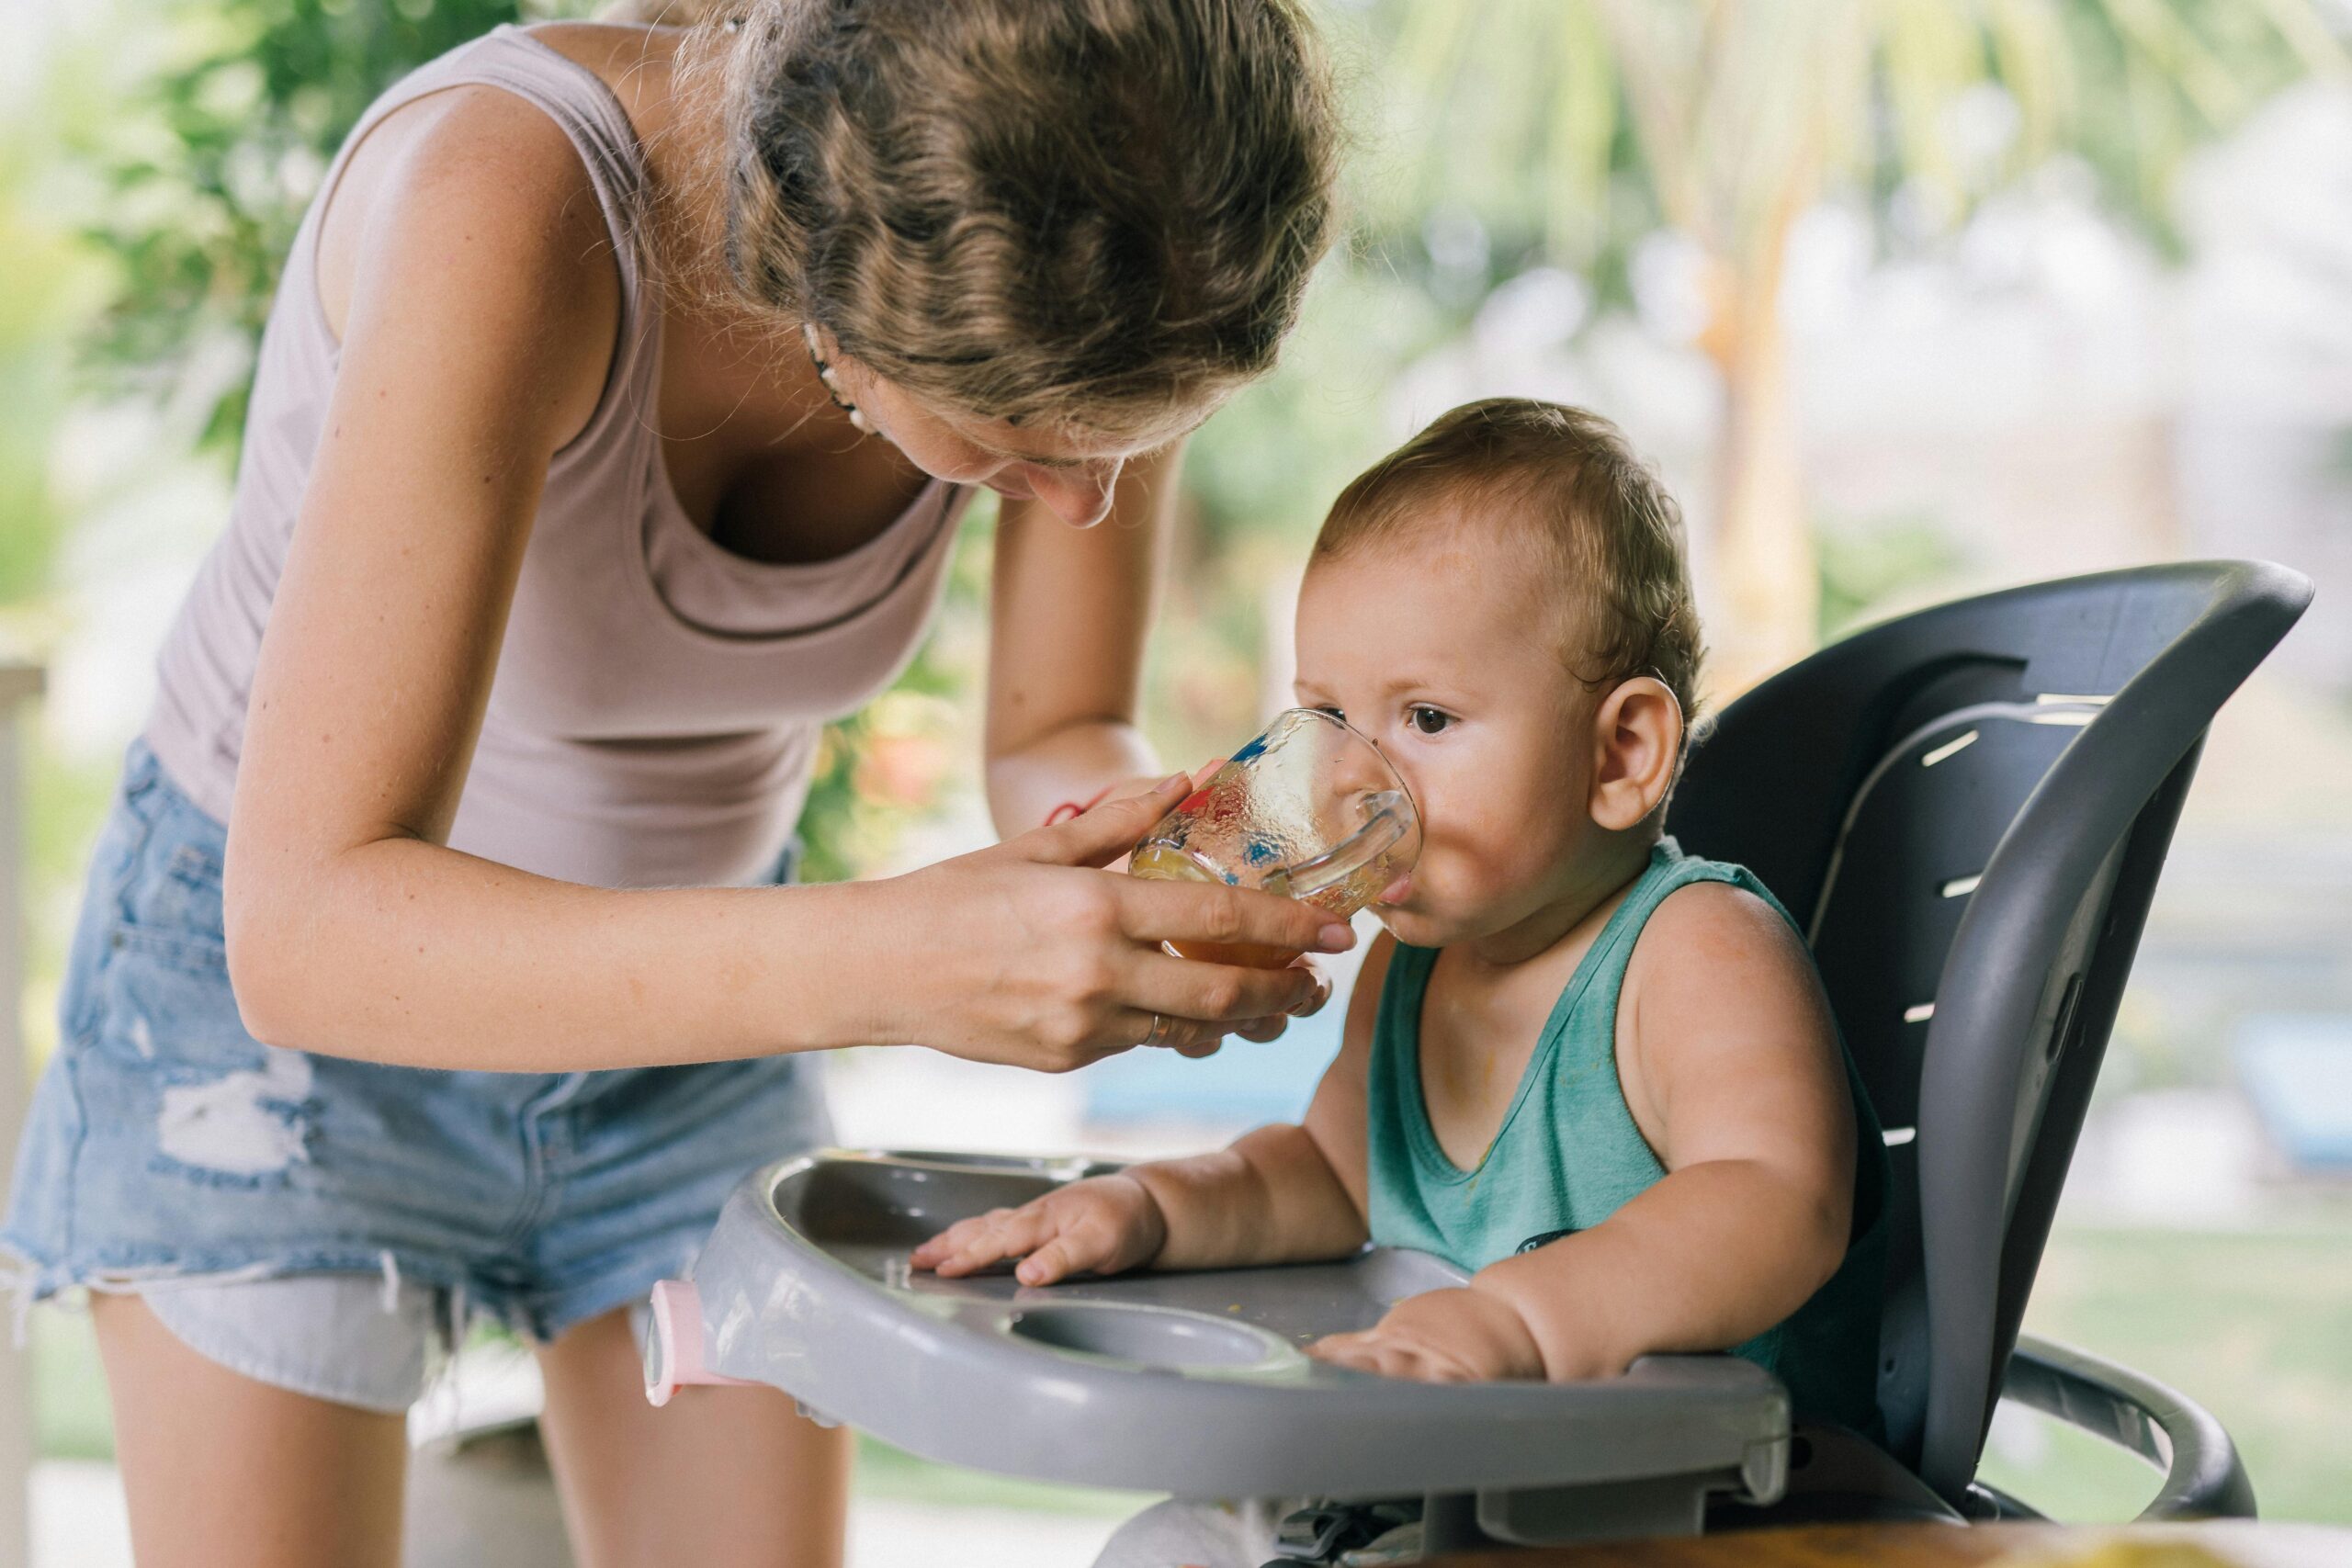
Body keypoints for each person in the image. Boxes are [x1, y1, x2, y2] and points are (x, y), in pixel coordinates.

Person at [0, 3, 1348, 1563]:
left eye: (1134, 440)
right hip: (282, 1037)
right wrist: (903, 961)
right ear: (833, 273)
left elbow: (1058, 727)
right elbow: (305, 930)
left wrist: (1159, 869)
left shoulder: (1113, 249)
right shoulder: (509, 204)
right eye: (1008, 446)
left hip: (702, 1016)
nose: (1087, 495)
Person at [914, 399, 1890, 1568]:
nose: (1346, 776)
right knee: (1161, 1548)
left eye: (1426, 718)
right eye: (1326, 716)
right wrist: (1150, 1209)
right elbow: (1329, 1176)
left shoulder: (1695, 952)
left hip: (1689, 1514)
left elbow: (1777, 1201)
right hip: (1453, 1490)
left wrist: (1514, 1324)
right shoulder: (1410, 964)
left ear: (1620, 752)